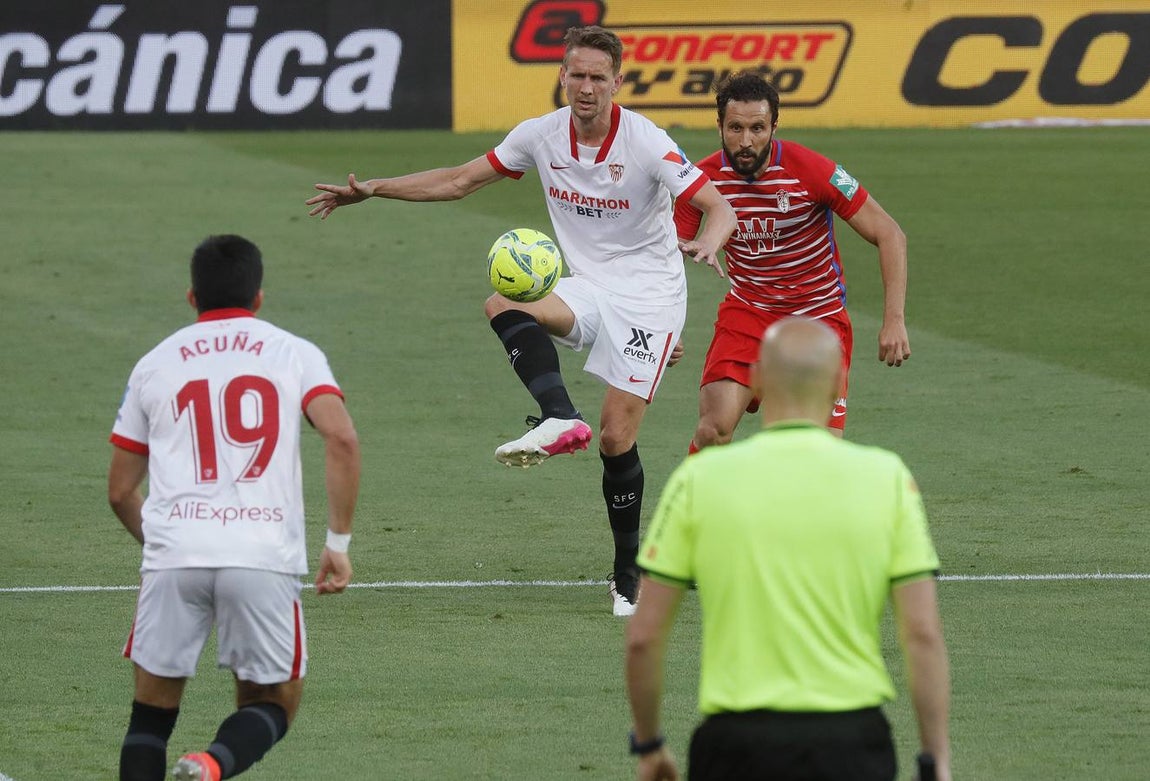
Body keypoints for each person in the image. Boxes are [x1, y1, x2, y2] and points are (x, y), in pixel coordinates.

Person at [305, 25, 736, 616]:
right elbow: (459, 181)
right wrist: (375, 189)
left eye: (597, 78)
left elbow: (717, 205)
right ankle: (560, 416)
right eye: (576, 75)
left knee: (616, 438)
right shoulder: (540, 135)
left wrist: (710, 243)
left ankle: (627, 572)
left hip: (650, 297)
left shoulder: (646, 141)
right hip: (585, 288)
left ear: (618, 82)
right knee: (501, 303)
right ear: (562, 75)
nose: (585, 88)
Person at [625, 316, 951, 781]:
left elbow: (643, 638)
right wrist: (934, 757)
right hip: (853, 742)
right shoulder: (888, 478)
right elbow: (921, 634)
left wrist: (651, 745)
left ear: (756, 380)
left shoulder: (700, 478)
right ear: (839, 381)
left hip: (736, 745)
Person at [108, 235, 361, 781]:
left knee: (148, 721)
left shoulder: (154, 363)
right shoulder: (295, 351)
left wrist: (167, 544)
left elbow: (120, 491)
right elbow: (341, 439)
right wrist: (336, 544)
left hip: (173, 554)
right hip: (261, 555)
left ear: (192, 296)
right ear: (259, 297)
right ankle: (211, 764)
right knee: (272, 703)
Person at [675, 71, 911, 451]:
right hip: (748, 313)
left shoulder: (811, 170)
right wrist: (665, 330)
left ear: (774, 127)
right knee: (712, 429)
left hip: (817, 317)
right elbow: (667, 261)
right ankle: (698, 509)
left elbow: (890, 234)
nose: (746, 141)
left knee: (815, 451)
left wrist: (894, 321)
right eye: (735, 128)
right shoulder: (700, 181)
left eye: (758, 128)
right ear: (719, 125)